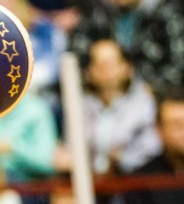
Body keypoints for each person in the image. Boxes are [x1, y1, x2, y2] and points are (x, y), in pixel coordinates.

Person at [52, 38, 161, 176]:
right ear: (88, 72)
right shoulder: (80, 105)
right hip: (88, 180)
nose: (105, 70)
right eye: (98, 64)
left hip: (132, 179)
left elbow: (151, 148)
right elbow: (70, 148)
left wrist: (121, 159)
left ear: (127, 68)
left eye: (110, 63)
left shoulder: (144, 102)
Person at [68, 0, 184, 92]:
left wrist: (152, 91)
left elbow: (181, 65)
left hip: (158, 99)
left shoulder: (168, 9)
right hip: (104, 98)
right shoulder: (93, 10)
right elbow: (77, 60)